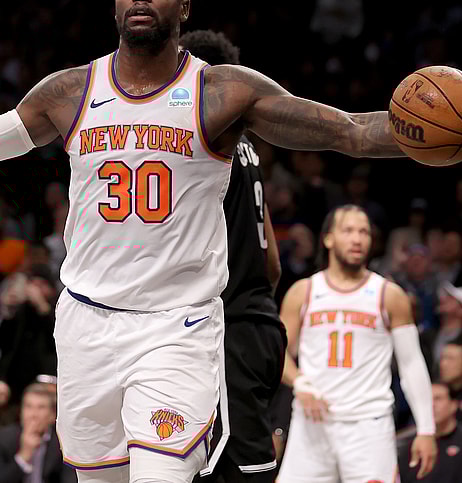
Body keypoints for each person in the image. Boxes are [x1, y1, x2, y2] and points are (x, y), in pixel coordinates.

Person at [0, 2, 462, 480]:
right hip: (86, 324)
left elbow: (351, 130)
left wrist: (446, 132)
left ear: (183, 7)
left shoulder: (224, 91)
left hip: (178, 328)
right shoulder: (69, 91)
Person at [179, 30, 283, 483]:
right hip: (260, 320)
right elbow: (273, 261)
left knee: (239, 466)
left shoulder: (202, 144)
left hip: (229, 326)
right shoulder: (247, 149)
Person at [276, 205, 437, 483]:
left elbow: (411, 364)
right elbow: (277, 356)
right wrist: (300, 383)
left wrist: (426, 428)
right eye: (348, 230)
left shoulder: (390, 294)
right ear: (328, 238)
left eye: (364, 232)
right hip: (312, 423)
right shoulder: (304, 292)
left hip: (369, 425)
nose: (357, 239)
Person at [0, 382, 76, 483]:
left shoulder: (63, 442)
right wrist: (23, 456)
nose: (33, 414)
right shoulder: (3, 438)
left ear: (52, 416)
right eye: (28, 407)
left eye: (41, 407)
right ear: (21, 412)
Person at [398, 383, 462, 483]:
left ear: (453, 405)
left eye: (438, 399)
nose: (432, 404)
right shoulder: (412, 445)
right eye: (427, 399)